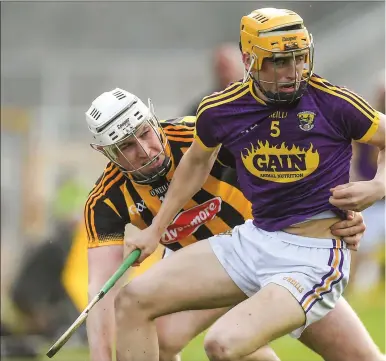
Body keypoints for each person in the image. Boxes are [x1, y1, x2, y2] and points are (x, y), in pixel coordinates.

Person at [115, 7, 385, 361]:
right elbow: (197, 162)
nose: (293, 72)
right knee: (132, 300)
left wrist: (379, 185)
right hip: (255, 239)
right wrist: (155, 229)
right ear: (249, 60)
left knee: (223, 343)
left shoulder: (332, 101)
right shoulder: (220, 109)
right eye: (279, 62)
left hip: (315, 257)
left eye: (299, 59)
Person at [84, 88, 380, 361]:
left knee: (359, 357)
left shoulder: (200, 136)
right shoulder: (105, 199)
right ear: (105, 153)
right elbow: (101, 289)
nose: (145, 150)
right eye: (126, 146)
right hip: (208, 268)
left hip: (277, 251)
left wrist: (335, 212)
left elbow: (290, 174)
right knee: (159, 335)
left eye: (145, 133)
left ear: (153, 118)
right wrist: (100, 356)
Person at [184, 43, 244, 116]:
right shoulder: (205, 106)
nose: (223, 74)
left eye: (226, 68)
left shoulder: (253, 101)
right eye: (219, 68)